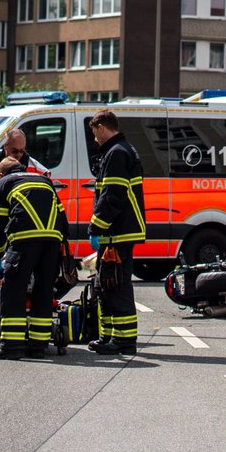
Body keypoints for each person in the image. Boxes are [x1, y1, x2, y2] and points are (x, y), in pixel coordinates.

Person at [0, 157, 68, 359]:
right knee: (43, 290)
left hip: (24, 239)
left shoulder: (1, 184)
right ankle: (38, 345)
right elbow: (62, 216)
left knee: (14, 289)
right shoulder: (44, 180)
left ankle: (11, 346)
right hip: (52, 240)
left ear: (1, 173)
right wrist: (62, 246)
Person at [87, 109, 145, 356]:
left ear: (101, 127)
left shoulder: (117, 153)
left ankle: (123, 341)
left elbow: (113, 196)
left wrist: (96, 226)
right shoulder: (119, 151)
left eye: (94, 133)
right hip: (116, 233)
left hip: (118, 233)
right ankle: (108, 336)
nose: (94, 140)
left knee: (117, 286)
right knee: (106, 286)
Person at [0, 128, 48, 252]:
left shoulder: (36, 168)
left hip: (21, 232)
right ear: (5, 146)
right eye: (15, 151)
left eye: (22, 151)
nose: (19, 155)